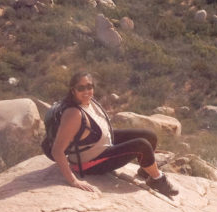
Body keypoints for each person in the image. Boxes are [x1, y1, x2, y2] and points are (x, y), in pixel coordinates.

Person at [51, 71, 179, 197]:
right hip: (89, 163)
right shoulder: (73, 114)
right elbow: (57, 150)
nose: (86, 91)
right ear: (73, 90)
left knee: (149, 136)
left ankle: (147, 170)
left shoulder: (89, 102)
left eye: (89, 87)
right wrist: (73, 181)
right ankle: (157, 180)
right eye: (81, 88)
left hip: (102, 144)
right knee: (142, 145)